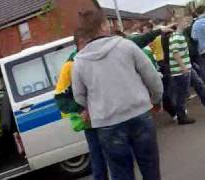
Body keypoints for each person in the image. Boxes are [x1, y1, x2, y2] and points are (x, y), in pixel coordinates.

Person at [72, 9, 163, 180]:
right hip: (139, 113)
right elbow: (152, 78)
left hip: (107, 122)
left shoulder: (79, 61)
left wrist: (94, 107)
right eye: (107, 23)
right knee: (150, 168)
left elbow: (79, 96)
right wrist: (156, 99)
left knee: (121, 172)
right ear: (102, 26)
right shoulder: (126, 45)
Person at [55, 29, 108, 180]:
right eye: (86, 43)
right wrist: (81, 109)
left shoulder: (98, 58)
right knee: (98, 156)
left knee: (117, 153)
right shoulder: (70, 66)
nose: (90, 46)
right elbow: (60, 98)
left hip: (108, 115)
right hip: (90, 121)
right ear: (78, 45)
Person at [169, 17, 196, 125]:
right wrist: (184, 67)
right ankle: (182, 117)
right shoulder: (177, 37)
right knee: (182, 94)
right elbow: (175, 53)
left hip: (181, 69)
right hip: (181, 70)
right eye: (186, 22)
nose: (188, 24)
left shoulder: (176, 36)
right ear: (180, 23)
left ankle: (182, 116)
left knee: (181, 93)